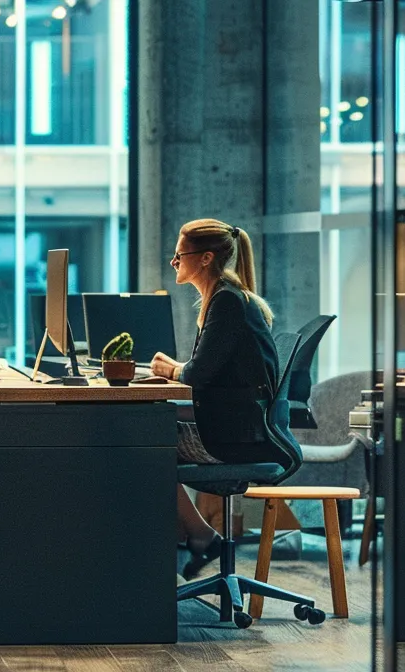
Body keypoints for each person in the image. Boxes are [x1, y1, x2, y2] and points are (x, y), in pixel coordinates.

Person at [147, 218, 289, 579]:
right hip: (238, 428)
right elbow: (208, 371)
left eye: (180, 255)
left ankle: (196, 538)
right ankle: (195, 536)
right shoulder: (225, 298)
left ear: (206, 258)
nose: (174, 262)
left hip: (237, 438)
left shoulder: (226, 301)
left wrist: (171, 371)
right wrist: (177, 368)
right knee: (145, 437)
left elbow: (196, 375)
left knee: (143, 444)